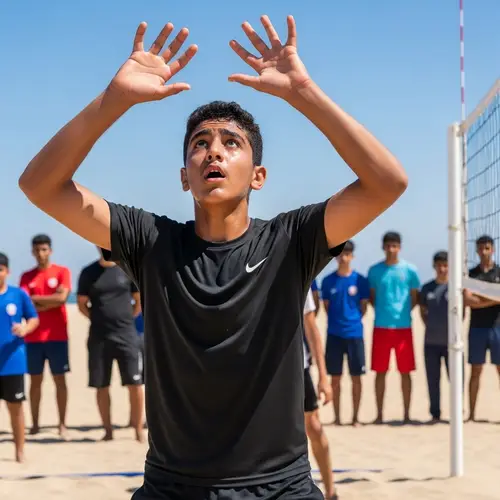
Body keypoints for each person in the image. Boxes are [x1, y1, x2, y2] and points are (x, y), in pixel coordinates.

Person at [19, 16, 407, 499]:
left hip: (280, 489)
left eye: (230, 142)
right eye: (199, 145)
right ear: (185, 176)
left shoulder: (290, 240)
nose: (213, 153)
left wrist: (304, 91)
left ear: (258, 175)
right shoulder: (152, 241)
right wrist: (113, 100)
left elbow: (387, 182)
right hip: (172, 487)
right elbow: (39, 185)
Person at [76, 247, 144, 441]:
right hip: (99, 337)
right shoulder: (89, 272)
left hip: (127, 335)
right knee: (101, 385)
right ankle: (108, 430)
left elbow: (137, 300)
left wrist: (126, 319)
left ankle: (138, 429)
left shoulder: (127, 269)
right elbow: (82, 303)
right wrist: (97, 319)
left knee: (135, 383)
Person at [19, 234, 71, 438]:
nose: (41, 254)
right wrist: (51, 301)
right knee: (35, 383)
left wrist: (38, 300)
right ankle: (34, 424)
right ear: (32, 252)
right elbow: (26, 304)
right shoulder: (26, 276)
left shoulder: (62, 272)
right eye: (37, 250)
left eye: (44, 249)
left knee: (60, 381)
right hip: (33, 338)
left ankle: (62, 424)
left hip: (58, 336)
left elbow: (62, 298)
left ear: (50, 250)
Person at [368, 231, 419, 424]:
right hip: (381, 326)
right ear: (383, 247)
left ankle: (406, 415)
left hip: (404, 327)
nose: (391, 249)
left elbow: (414, 298)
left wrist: (402, 313)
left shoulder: (410, 270)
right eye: (388, 245)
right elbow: (372, 298)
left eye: (394, 246)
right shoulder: (374, 271)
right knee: (380, 372)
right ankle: (379, 415)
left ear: (400, 247)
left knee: (405, 372)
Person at [321, 240, 369, 427]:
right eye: (340, 254)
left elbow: (363, 307)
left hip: (355, 334)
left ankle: (355, 418)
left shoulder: (360, 280)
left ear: (352, 256)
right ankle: (337, 418)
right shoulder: (327, 281)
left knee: (356, 377)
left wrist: (351, 320)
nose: (343, 257)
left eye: (347, 254)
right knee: (335, 378)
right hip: (334, 334)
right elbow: (326, 307)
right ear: (336, 257)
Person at [0, 253, 39, 462]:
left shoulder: (18, 294)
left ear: (7, 271)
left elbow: (34, 318)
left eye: (0, 269)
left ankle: (20, 450)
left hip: (12, 363)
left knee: (15, 408)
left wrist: (25, 328)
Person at [303, 289, 337, 499]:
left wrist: (323, 376)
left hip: (297, 365)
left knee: (314, 427)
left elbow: (311, 326)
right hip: (260, 369)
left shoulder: (296, 273)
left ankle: (331, 491)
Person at [463, 235, 500, 422]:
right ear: (476, 251)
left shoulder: (499, 271)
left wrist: (481, 298)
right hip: (477, 328)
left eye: (487, 248)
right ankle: (471, 414)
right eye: (481, 249)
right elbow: (468, 300)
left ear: (492, 249)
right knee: (475, 370)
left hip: (497, 328)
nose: (484, 252)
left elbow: (475, 300)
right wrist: (493, 297)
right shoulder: (471, 274)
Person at [419, 251, 452, 422]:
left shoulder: (455, 287)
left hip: (452, 343)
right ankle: (435, 413)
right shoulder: (427, 288)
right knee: (433, 380)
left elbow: (459, 314)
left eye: (445, 265)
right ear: (434, 267)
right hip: (431, 342)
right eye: (439, 265)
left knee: (455, 380)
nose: (442, 269)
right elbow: (422, 312)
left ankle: (456, 413)